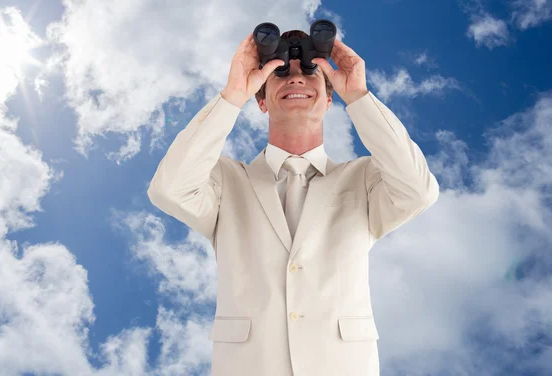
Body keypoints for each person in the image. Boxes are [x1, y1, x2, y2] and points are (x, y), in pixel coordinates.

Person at [147, 29, 440, 376]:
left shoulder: (364, 181)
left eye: (310, 70)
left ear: (330, 99)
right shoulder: (227, 183)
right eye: (281, 71)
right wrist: (232, 95)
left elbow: (418, 190)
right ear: (260, 100)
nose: (296, 78)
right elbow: (168, 189)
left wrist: (359, 96)